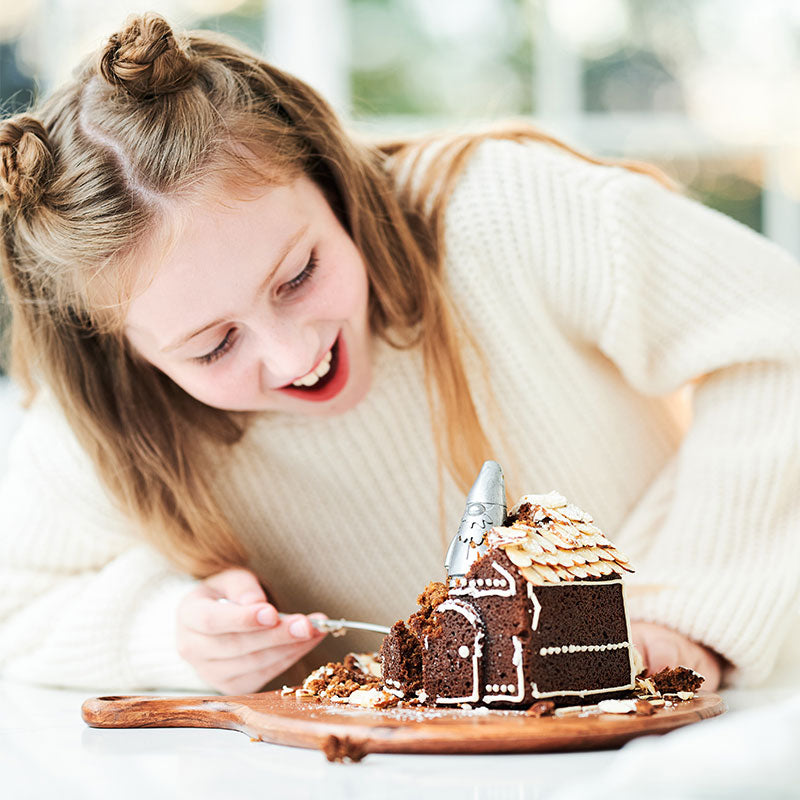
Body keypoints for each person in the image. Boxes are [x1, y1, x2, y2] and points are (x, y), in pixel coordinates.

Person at [1, 12, 797, 697]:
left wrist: (681, 605)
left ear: (331, 180)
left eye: (300, 275)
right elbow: (18, 606)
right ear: (124, 356)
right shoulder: (106, 418)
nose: (292, 353)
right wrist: (168, 630)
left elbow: (779, 337)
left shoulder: (503, 212)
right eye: (214, 346)